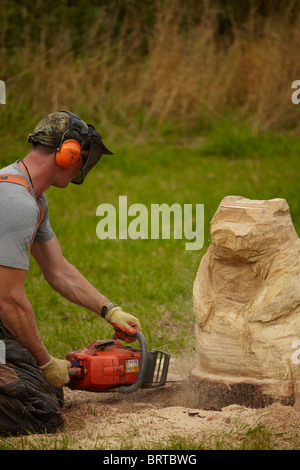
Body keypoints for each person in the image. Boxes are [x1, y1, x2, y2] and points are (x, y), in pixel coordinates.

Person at [0, 110, 141, 434]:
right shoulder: (17, 203)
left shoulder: (30, 195)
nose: (83, 168)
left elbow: (58, 270)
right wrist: (47, 363)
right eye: (83, 159)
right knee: (40, 411)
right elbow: (9, 301)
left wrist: (110, 310)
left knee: (50, 395)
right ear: (68, 153)